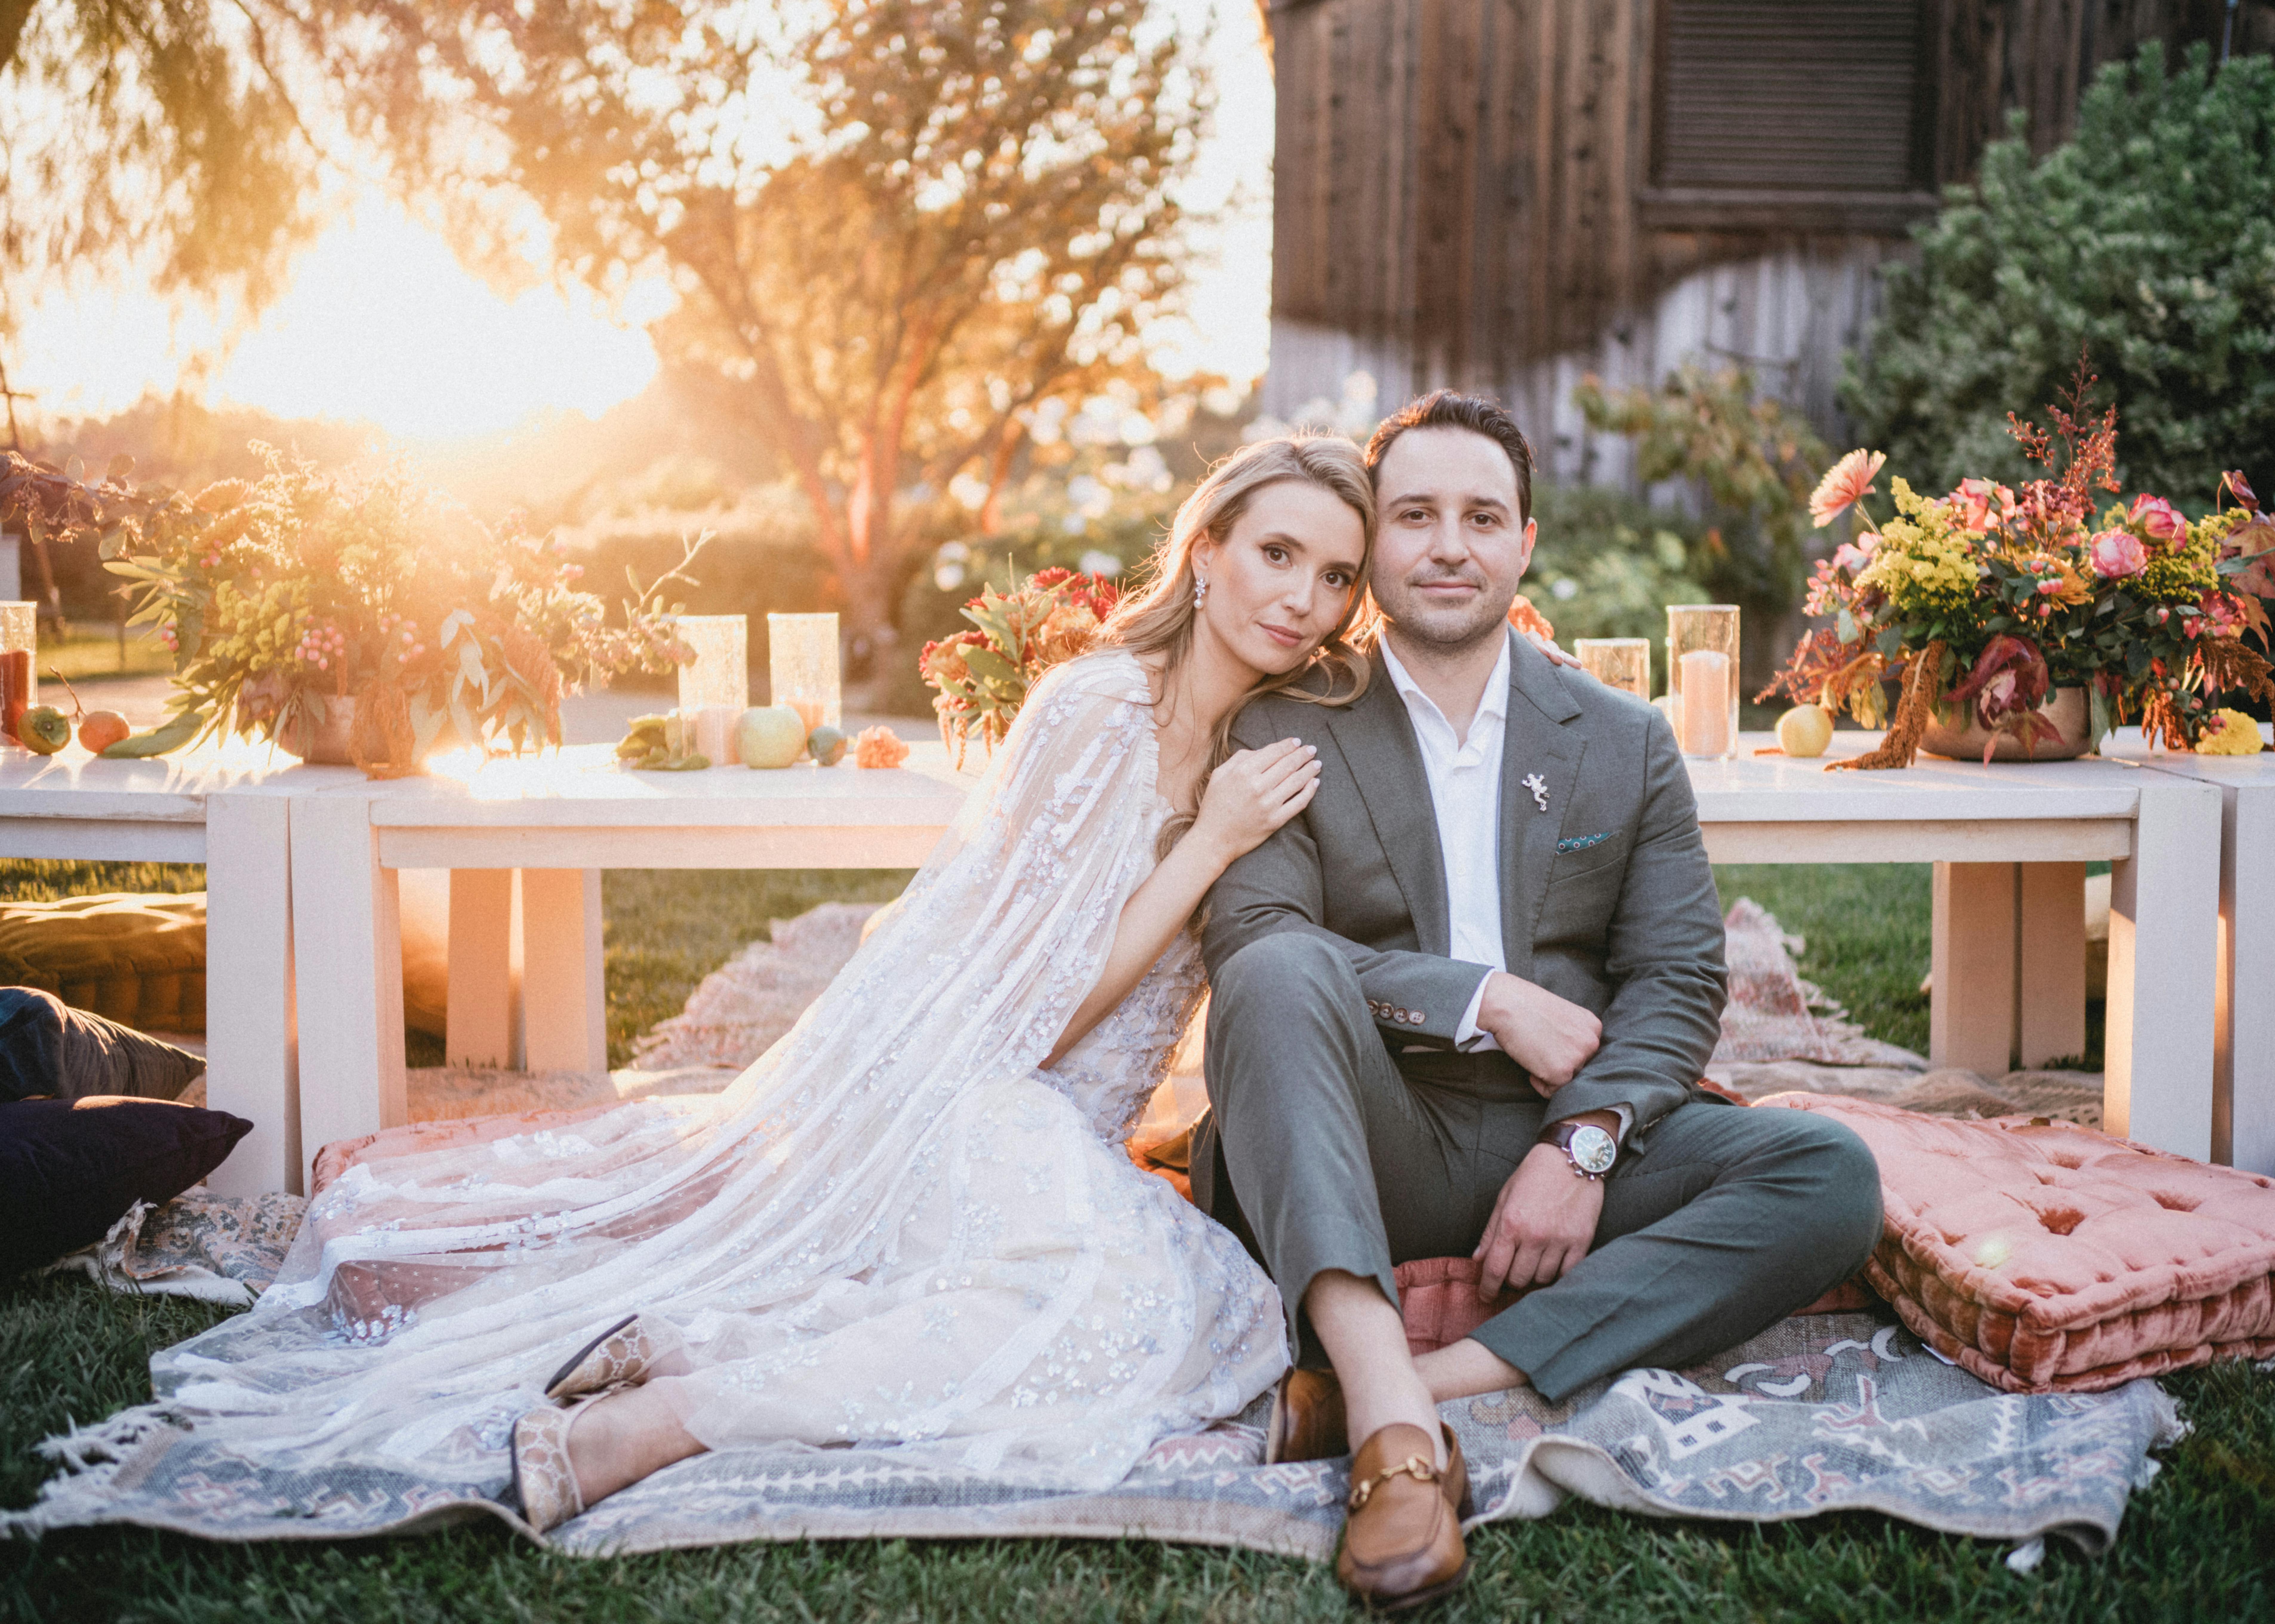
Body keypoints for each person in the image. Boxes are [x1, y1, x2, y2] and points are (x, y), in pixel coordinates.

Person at [13, 435, 1376, 1540]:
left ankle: (682, 1343)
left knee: (1201, 1310)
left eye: (1331, 577)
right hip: (974, 1093)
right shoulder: (1101, 712)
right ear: (1202, 550)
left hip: (1050, 1121)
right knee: (1129, 1299)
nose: (1298, 597)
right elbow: (1042, 1008)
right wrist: (1208, 845)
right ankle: (645, 1426)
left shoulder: (1256, 739)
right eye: (1274, 553)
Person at [1195, 391, 1886, 1609]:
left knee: (1826, 1175)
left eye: (1479, 515)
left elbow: (1676, 978)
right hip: (1364, 1133)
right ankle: (1396, 1438)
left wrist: (1585, 1137)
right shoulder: (1286, 717)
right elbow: (1252, 933)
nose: (1447, 544)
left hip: (1560, 1135)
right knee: (1274, 965)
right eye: (1412, 515)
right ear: (1375, 545)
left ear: (1525, 542)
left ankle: (1407, 1379)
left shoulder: (1622, 737)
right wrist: (1484, 997)